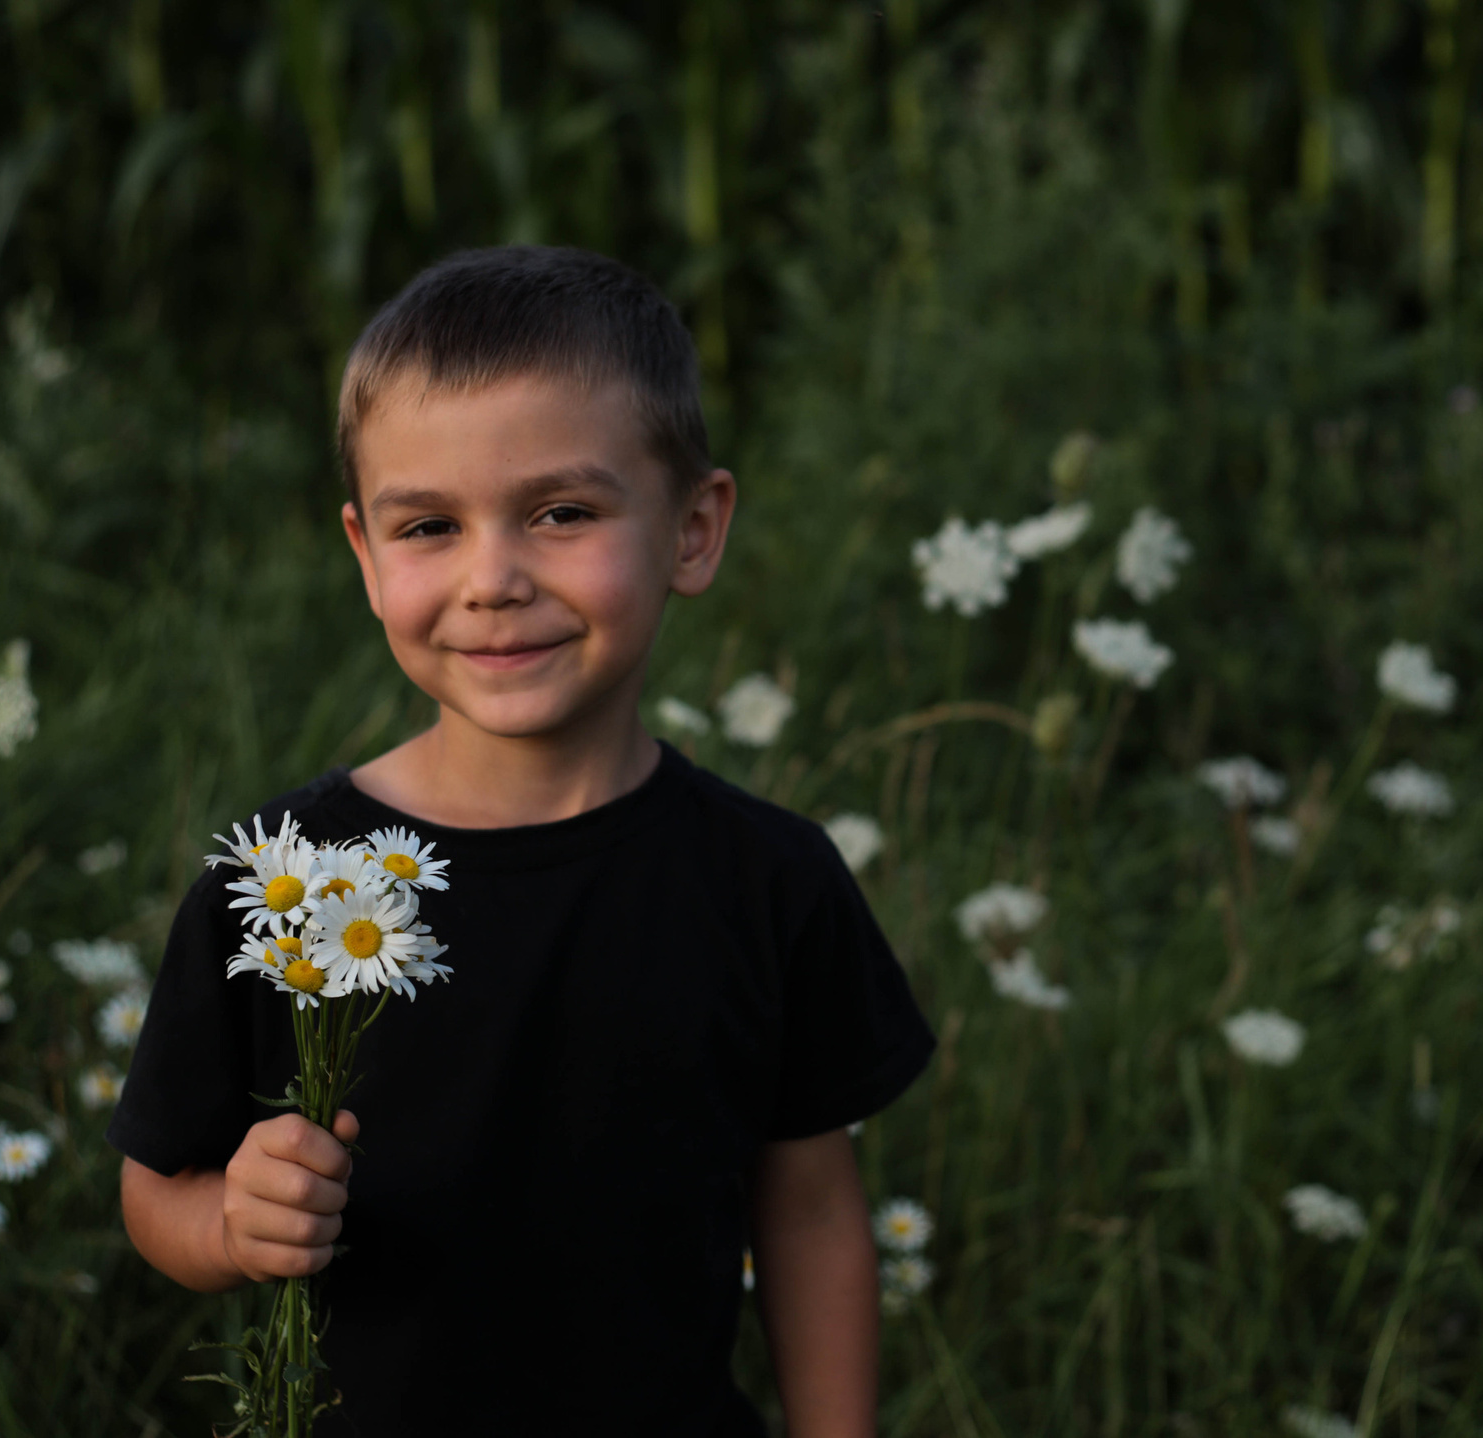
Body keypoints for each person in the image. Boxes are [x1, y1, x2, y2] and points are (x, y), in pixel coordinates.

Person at [109, 246, 936, 1435]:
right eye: (430, 525)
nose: (492, 579)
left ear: (694, 530)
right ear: (364, 555)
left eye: (561, 513)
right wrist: (232, 1227)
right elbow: (155, 1184)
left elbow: (807, 1213)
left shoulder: (768, 880)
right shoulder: (286, 877)